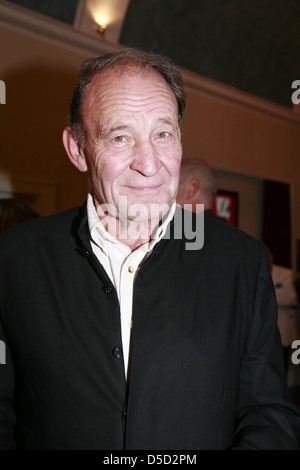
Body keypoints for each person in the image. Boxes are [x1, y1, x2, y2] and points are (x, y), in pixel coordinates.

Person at [0, 48, 300, 451]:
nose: (149, 163)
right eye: (120, 137)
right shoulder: (14, 258)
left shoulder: (240, 261)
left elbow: (268, 414)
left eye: (163, 134)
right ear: (77, 149)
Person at [268, 248, 298, 373]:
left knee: (282, 368)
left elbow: (292, 299)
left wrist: (268, 296)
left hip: (282, 329)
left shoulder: (285, 273)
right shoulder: (253, 272)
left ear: (272, 256)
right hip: (264, 332)